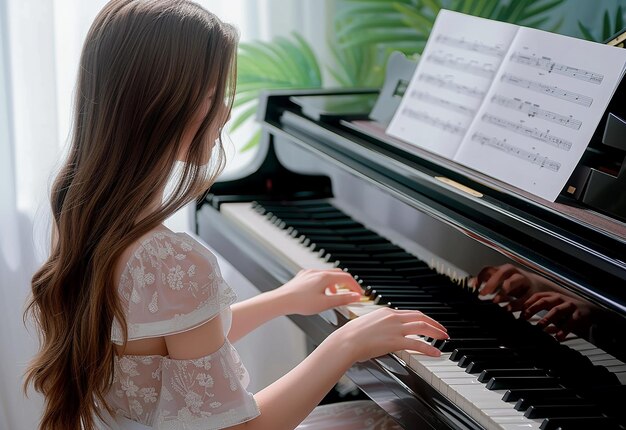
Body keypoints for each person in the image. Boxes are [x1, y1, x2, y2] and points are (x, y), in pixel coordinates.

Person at [23, 1, 449, 429]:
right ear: (160, 108)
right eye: (211, 96)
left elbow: (165, 343)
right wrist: (346, 344)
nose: (225, 111)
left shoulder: (80, 209)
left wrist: (282, 300)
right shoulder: (169, 257)